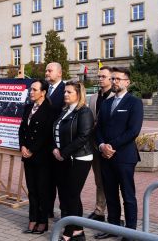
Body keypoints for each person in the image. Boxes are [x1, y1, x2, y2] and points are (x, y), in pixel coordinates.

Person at [94, 67, 143, 241]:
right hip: (106, 157)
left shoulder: (134, 102)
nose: (114, 82)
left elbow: (133, 131)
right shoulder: (106, 103)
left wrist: (111, 146)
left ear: (127, 82)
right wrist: (101, 146)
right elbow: (98, 128)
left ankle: (130, 233)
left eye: (118, 79)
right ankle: (113, 228)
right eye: (113, 79)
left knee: (128, 196)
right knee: (110, 194)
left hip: (124, 157)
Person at [52, 80, 94, 241]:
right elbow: (56, 132)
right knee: (71, 195)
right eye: (64, 92)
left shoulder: (84, 112)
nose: (65, 94)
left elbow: (83, 136)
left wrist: (63, 152)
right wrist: (54, 148)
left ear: (79, 94)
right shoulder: (65, 111)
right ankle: (78, 228)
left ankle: (69, 232)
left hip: (81, 157)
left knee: (72, 194)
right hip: (65, 157)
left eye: (69, 92)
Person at [18, 79, 55, 235]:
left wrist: (32, 149)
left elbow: (46, 134)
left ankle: (43, 221)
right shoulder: (27, 108)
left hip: (42, 157)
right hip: (28, 156)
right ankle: (32, 219)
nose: (31, 92)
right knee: (32, 190)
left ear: (43, 92)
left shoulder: (50, 110)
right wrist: (23, 146)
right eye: (30, 89)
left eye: (34, 89)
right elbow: (22, 130)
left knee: (42, 190)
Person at [87, 66, 114, 222]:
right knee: (99, 180)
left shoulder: (115, 98)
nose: (100, 79)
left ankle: (116, 214)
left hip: (110, 146)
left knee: (112, 181)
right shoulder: (93, 98)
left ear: (111, 78)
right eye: (99, 76)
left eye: (103, 76)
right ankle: (99, 211)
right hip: (94, 145)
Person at [45, 62, 65, 218]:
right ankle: (47, 210)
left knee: (60, 180)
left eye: (50, 70)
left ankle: (65, 213)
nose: (46, 72)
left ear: (59, 73)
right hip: (43, 142)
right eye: (46, 70)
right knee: (47, 180)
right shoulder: (43, 89)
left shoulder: (66, 90)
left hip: (59, 143)